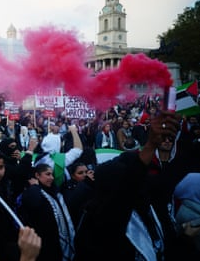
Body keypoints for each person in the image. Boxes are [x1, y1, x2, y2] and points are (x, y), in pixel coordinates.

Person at [74, 110, 191, 261]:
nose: (143, 180)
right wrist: (149, 145)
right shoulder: (99, 222)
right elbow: (128, 187)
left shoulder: (148, 208)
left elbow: (168, 177)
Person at [17, 164, 75, 261]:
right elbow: (34, 204)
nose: (51, 178)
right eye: (47, 174)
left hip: (60, 245)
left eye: (52, 175)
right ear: (37, 175)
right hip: (46, 246)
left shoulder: (54, 192)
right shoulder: (31, 192)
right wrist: (35, 187)